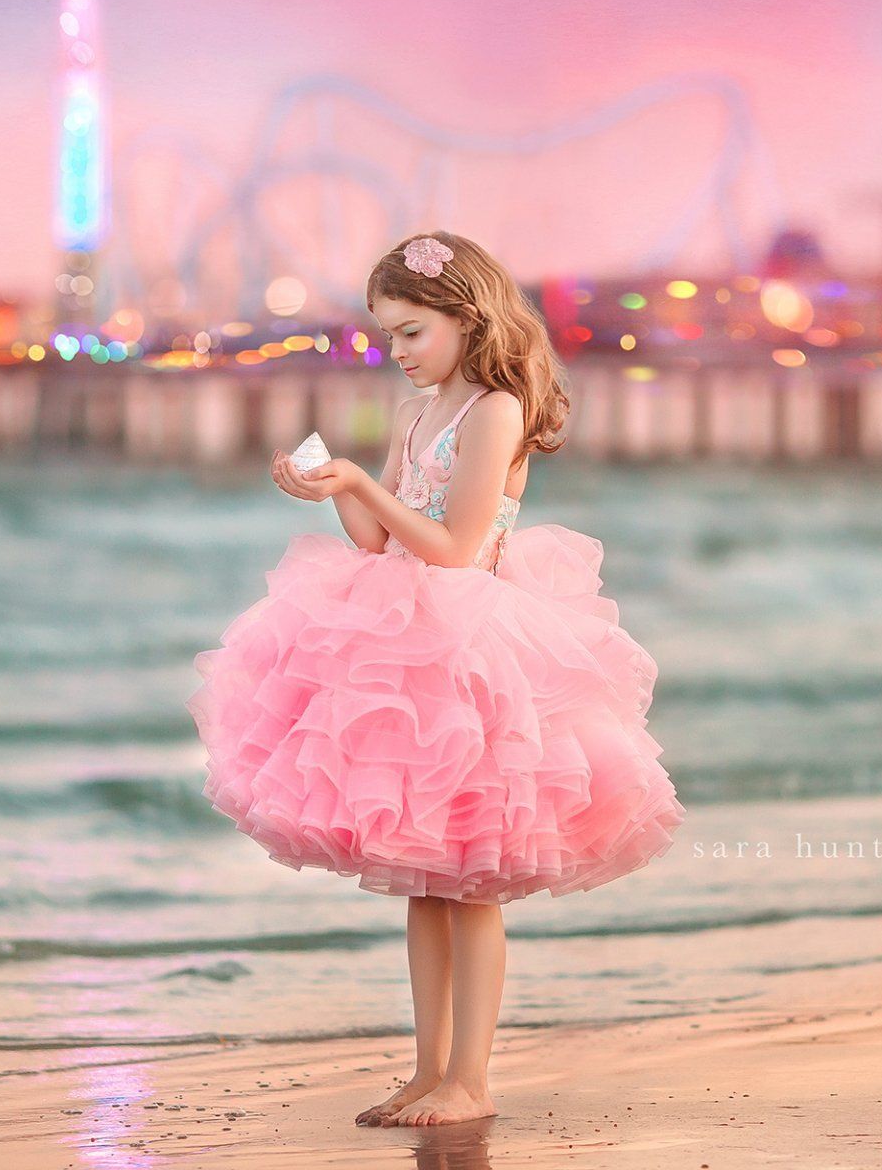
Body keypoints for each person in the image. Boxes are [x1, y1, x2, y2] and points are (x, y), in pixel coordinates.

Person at [187, 230, 686, 1128]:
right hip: (408, 640)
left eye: (412, 332)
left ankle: (473, 1078)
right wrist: (336, 486)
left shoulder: (494, 410)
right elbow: (379, 538)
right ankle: (427, 1072)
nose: (400, 352)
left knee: (473, 885)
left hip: (468, 647)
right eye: (388, 336)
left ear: (467, 317)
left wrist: (367, 491)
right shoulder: (417, 412)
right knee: (425, 882)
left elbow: (457, 549)